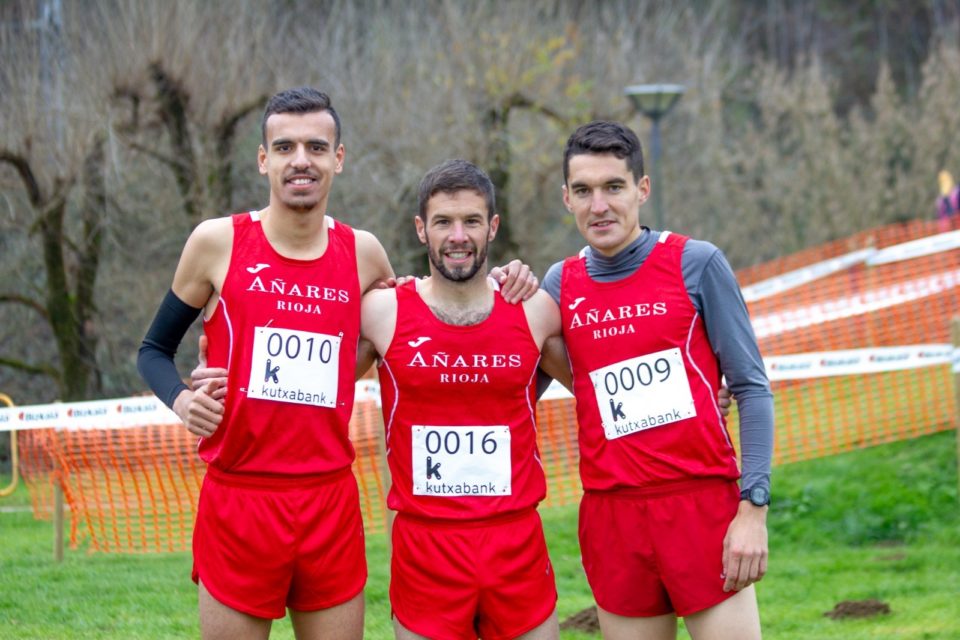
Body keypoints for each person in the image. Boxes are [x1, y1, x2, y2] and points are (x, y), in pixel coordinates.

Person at [540, 121, 775, 640]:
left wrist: (753, 510)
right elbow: (511, 388)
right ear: (566, 198)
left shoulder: (697, 262)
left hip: (701, 508)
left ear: (642, 189)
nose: (598, 206)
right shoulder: (558, 285)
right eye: (583, 191)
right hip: (612, 517)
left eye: (613, 187)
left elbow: (753, 390)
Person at [359, 159, 569, 640]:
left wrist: (709, 388)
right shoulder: (382, 312)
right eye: (443, 223)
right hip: (425, 548)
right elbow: (313, 380)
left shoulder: (534, 309)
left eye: (472, 221)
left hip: (516, 544)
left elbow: (600, 384)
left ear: (492, 227)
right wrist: (220, 365)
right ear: (421, 229)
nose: (458, 236)